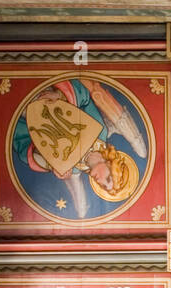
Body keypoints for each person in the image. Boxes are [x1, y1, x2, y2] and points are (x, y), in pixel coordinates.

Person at [11, 76, 147, 217]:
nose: (100, 182)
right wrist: (60, 96)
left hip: (21, 114)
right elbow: (85, 97)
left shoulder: (72, 169)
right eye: (107, 179)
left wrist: (51, 163)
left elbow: (24, 149)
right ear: (110, 164)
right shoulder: (100, 131)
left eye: (103, 186)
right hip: (41, 92)